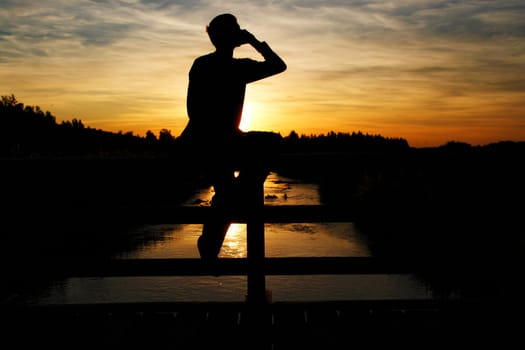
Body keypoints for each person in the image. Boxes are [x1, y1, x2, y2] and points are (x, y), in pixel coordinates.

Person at [178, 13, 287, 260]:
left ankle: (209, 246)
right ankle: (209, 245)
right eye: (235, 29)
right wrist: (253, 41)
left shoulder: (222, 66)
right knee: (228, 193)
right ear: (227, 36)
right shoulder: (220, 66)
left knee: (267, 146)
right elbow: (195, 111)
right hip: (207, 142)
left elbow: (279, 66)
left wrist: (252, 41)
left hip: (215, 140)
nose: (239, 31)